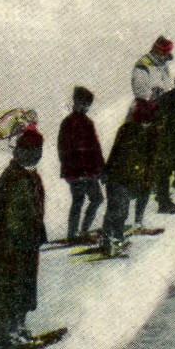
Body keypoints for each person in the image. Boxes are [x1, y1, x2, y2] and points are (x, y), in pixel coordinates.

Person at [0, 125, 49, 349]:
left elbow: (35, 210)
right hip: (6, 249)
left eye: (37, 150)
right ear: (18, 152)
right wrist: (23, 238)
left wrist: (38, 234)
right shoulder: (13, 178)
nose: (35, 155)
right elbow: (12, 219)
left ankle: (15, 331)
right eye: (29, 150)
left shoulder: (31, 176)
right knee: (1, 297)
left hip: (24, 248)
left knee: (22, 292)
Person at [102, 99, 161, 254]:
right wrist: (107, 171)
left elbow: (148, 159)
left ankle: (112, 238)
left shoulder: (146, 133)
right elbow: (117, 152)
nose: (146, 124)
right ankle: (111, 239)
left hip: (126, 177)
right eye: (145, 121)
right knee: (118, 209)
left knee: (119, 209)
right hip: (119, 177)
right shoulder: (129, 131)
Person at [56, 86, 105, 240]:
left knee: (95, 199)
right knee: (81, 200)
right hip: (78, 172)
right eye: (82, 103)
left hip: (87, 171)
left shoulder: (87, 122)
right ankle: (75, 232)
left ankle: (81, 230)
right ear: (76, 102)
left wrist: (101, 169)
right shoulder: (69, 123)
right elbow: (64, 149)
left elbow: (95, 148)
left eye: (87, 104)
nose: (85, 107)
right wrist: (77, 170)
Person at [131, 37, 173, 103]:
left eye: (164, 52)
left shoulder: (163, 65)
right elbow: (139, 86)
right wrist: (152, 96)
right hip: (148, 106)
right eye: (158, 50)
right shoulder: (144, 63)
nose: (161, 54)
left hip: (163, 105)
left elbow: (168, 84)